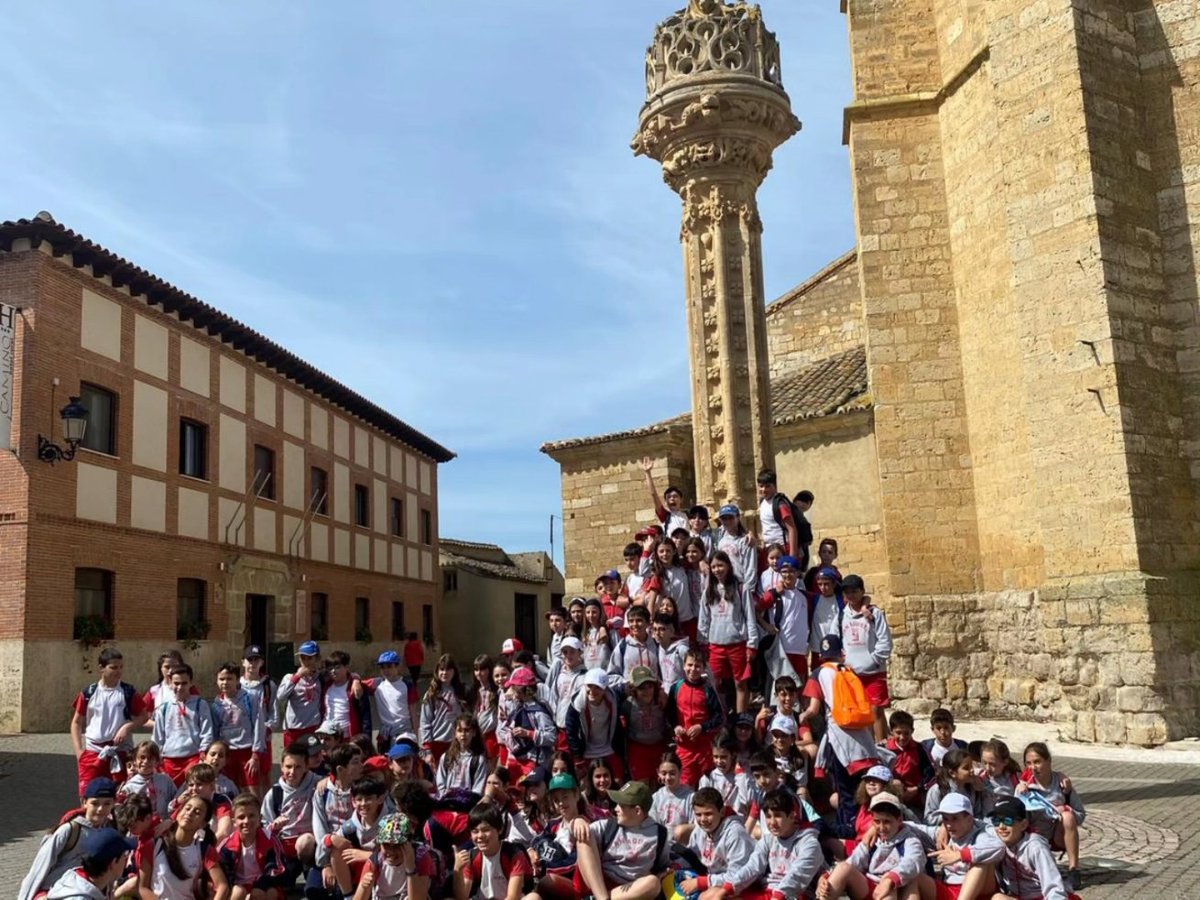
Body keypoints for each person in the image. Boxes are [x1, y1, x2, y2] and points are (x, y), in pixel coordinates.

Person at [800, 635, 886, 839]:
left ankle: (850, 831)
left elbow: (813, 709)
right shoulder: (848, 670)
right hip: (862, 737)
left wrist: (802, 717)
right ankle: (869, 824)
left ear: (821, 655)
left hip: (839, 736)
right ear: (841, 653)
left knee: (844, 789)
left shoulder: (819, 673)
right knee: (863, 788)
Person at [699, 787, 824, 900]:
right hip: (768, 892)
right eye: (768, 816)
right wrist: (728, 888)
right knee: (710, 896)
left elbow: (797, 875)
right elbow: (752, 867)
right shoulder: (768, 840)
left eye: (777, 816)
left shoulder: (809, 843)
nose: (772, 822)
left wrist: (778, 896)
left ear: (792, 816)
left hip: (794, 895)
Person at [19, 777, 119, 900]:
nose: (100, 809)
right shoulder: (70, 830)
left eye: (107, 804)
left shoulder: (110, 831)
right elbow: (39, 868)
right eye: (95, 803)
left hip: (88, 892)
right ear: (84, 802)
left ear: (114, 803)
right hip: (56, 892)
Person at [572, 780, 671, 900]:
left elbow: (663, 866)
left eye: (621, 805)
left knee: (653, 883)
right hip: (599, 882)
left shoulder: (660, 834)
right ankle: (601, 898)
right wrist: (577, 821)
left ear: (637, 810)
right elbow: (576, 832)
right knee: (584, 836)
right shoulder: (608, 825)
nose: (616, 809)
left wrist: (664, 872)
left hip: (626, 891)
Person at [70, 647, 149, 798]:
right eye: (113, 667)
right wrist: (79, 751)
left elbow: (143, 716)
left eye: (120, 667)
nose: (118, 671)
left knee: (120, 796)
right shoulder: (89, 692)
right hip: (93, 752)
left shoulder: (128, 692)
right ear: (101, 668)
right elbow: (76, 722)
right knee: (88, 797)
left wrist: (127, 727)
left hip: (120, 752)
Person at [817, 792, 923, 900]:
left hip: (896, 889)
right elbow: (854, 860)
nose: (881, 828)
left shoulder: (909, 840)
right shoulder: (872, 838)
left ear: (899, 820)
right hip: (870, 886)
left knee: (889, 895)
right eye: (877, 821)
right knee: (843, 868)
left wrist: (890, 879)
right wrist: (827, 877)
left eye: (887, 822)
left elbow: (913, 862)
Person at [1017, 742, 1085, 891]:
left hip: (1057, 835)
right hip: (1034, 836)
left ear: (1048, 761)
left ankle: (1074, 869)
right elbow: (1016, 821)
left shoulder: (1062, 784)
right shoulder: (1024, 786)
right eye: (1028, 763)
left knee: (1068, 817)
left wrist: (1064, 810)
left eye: (1037, 762)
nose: (1033, 767)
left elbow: (1080, 815)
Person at [697, 549, 758, 714]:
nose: (717, 570)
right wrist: (702, 643)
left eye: (720, 565)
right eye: (714, 566)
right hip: (716, 645)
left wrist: (752, 644)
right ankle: (722, 718)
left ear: (728, 566)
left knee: (740, 683)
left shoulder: (740, 588)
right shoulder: (709, 590)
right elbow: (704, 619)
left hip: (737, 644)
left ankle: (741, 720)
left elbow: (750, 617)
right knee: (716, 683)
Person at [138, 793, 229, 900]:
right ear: (178, 813)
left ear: (203, 824)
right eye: (187, 808)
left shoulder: (204, 850)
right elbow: (143, 887)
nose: (189, 813)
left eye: (197, 812)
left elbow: (223, 886)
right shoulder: (155, 845)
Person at [839, 574, 893, 741]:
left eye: (854, 591)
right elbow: (840, 639)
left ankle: (881, 745)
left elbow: (885, 640)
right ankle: (872, 743)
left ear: (862, 591)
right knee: (864, 711)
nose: (851, 595)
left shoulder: (874, 613)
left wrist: (875, 660)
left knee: (876, 709)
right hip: (853, 672)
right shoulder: (842, 615)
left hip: (874, 672)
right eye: (847, 592)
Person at [989, 797, 1075, 900]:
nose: (1001, 826)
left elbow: (1053, 885)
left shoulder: (1036, 847)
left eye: (1008, 821)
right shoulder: (998, 844)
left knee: (998, 898)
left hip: (1044, 896)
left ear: (1023, 825)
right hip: (1018, 896)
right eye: (996, 821)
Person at [677, 786, 755, 897]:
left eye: (708, 814)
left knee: (708, 896)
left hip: (744, 886)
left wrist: (701, 882)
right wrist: (676, 866)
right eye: (698, 814)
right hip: (714, 878)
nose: (703, 819)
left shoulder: (735, 834)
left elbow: (738, 876)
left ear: (722, 812)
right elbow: (692, 858)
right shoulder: (700, 830)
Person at [922, 793, 1003, 899]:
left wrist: (960, 855)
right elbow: (911, 827)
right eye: (945, 819)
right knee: (915, 879)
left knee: (981, 861)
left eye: (955, 818)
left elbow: (1000, 846)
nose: (949, 825)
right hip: (950, 889)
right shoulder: (943, 833)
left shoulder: (982, 832)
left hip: (981, 893)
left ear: (969, 819)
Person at [312, 744, 367, 896]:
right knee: (314, 890)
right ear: (340, 770)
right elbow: (319, 829)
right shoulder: (322, 793)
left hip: (358, 845)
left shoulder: (364, 789)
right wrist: (327, 864)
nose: (361, 766)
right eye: (355, 762)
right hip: (329, 848)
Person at [217, 792, 295, 898]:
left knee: (267, 893)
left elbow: (278, 869)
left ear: (260, 818)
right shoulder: (227, 845)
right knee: (238, 892)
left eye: (251, 816)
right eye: (241, 817)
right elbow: (223, 875)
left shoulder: (270, 839)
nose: (246, 821)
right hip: (238, 886)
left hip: (263, 884)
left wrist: (258, 886)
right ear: (234, 822)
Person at [666, 648, 725, 787]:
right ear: (684, 666)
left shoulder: (708, 690)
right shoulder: (676, 688)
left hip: (705, 747)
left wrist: (702, 727)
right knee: (685, 786)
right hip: (684, 747)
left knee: (707, 785)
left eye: (698, 666)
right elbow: (669, 714)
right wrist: (676, 727)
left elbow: (718, 717)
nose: (693, 669)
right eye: (690, 665)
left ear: (704, 668)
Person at [452, 801, 534, 899]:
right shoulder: (471, 856)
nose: (480, 836)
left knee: (533, 897)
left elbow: (513, 897)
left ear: (499, 829)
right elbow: (461, 898)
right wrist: (457, 870)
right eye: (475, 831)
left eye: (486, 830)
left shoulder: (514, 854)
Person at [152, 664, 213, 786]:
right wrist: (157, 760)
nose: (180, 687)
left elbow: (207, 733)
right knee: (170, 799)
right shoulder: (164, 708)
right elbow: (157, 738)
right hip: (168, 761)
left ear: (191, 683)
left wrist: (202, 756)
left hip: (192, 759)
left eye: (184, 683)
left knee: (191, 796)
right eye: (176, 683)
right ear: (170, 683)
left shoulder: (200, 705)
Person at [327, 778, 390, 898]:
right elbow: (323, 848)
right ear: (353, 802)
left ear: (380, 799)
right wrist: (329, 840)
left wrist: (367, 856)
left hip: (384, 871)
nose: (363, 804)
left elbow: (399, 854)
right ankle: (348, 895)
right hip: (358, 873)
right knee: (336, 850)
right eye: (359, 799)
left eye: (369, 799)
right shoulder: (350, 826)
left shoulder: (390, 822)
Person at [261, 741, 319, 867]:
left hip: (310, 844)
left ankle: (308, 869)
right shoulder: (275, 793)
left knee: (306, 842)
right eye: (288, 767)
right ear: (281, 766)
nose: (292, 772)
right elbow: (264, 825)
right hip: (285, 844)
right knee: (275, 883)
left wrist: (325, 782)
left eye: (298, 767)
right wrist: (274, 826)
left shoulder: (317, 784)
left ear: (306, 767)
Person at [353, 812, 436, 900]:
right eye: (386, 845)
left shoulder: (421, 858)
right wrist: (364, 887)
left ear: (408, 843)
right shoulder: (376, 861)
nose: (390, 851)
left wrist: (410, 870)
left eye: (396, 845)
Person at [212, 663, 267, 793]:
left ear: (237, 680)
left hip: (247, 753)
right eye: (221, 679)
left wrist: (255, 755)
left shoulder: (249, 699)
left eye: (229, 679)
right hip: (227, 754)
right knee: (229, 792)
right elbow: (214, 733)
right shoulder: (216, 705)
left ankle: (257, 813)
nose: (225, 682)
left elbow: (259, 727)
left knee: (252, 792)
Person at [45, 828, 138, 900]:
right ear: (113, 862)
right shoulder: (79, 897)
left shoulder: (91, 883)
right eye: (124, 855)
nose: (126, 858)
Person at [566, 668, 624, 782]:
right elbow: (571, 731)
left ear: (605, 689)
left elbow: (628, 688)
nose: (592, 691)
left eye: (597, 687)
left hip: (609, 749)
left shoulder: (613, 699)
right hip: (586, 752)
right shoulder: (577, 705)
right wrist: (577, 756)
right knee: (587, 785)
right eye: (589, 686)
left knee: (617, 781)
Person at [498, 667, 555, 780]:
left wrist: (529, 734)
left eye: (514, 687)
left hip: (533, 761)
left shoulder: (538, 711)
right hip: (516, 759)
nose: (511, 689)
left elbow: (552, 737)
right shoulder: (517, 706)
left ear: (522, 689)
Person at [239, 646, 278, 796]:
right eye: (250, 660)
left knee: (264, 774)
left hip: (263, 738)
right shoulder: (238, 685)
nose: (253, 664)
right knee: (245, 775)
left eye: (256, 660)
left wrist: (267, 729)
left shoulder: (268, 685)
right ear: (243, 662)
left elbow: (273, 711)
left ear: (261, 663)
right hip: (243, 739)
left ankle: (266, 809)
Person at [621, 666, 669, 784]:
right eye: (642, 688)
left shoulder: (661, 701)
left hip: (659, 746)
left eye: (650, 686)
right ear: (634, 689)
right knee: (642, 786)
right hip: (638, 749)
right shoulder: (628, 705)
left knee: (660, 783)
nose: (647, 691)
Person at [364, 651, 418, 755]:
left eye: (389, 666)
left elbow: (413, 713)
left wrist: (416, 736)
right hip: (385, 734)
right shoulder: (377, 684)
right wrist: (356, 681)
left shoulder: (407, 685)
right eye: (382, 667)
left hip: (404, 732)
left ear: (397, 667)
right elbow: (356, 682)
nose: (386, 670)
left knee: (402, 761)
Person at [883, 711, 934, 815]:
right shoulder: (884, 750)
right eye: (898, 733)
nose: (902, 737)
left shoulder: (920, 749)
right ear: (891, 731)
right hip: (891, 796)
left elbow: (930, 773)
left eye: (906, 733)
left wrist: (916, 789)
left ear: (912, 731)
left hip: (916, 797)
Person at [420, 654, 467, 766]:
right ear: (437, 671)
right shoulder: (431, 694)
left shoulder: (462, 691)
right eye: (441, 669)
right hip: (437, 742)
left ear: (454, 671)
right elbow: (425, 721)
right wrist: (427, 747)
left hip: (457, 741)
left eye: (448, 669)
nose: (444, 673)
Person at [278, 641, 325, 748]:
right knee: (293, 760)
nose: (306, 662)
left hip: (313, 727)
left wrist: (354, 678)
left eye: (309, 658)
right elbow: (280, 696)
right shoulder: (289, 677)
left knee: (312, 761)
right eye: (303, 658)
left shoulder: (320, 677)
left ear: (317, 658)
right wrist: (297, 676)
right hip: (293, 729)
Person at [924, 749, 986, 825]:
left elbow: (977, 814)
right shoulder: (938, 790)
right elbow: (929, 819)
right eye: (966, 768)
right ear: (952, 773)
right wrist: (952, 816)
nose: (972, 770)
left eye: (971, 766)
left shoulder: (972, 789)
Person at [118, 740, 176, 818]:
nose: (145, 761)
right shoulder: (129, 786)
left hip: (163, 824)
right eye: (142, 757)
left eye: (150, 758)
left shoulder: (166, 781)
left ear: (157, 761)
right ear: (135, 760)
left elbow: (175, 800)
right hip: (140, 825)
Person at [607, 605, 659, 689]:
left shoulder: (656, 645)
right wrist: (627, 684)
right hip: (631, 697)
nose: (635, 624)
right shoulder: (622, 646)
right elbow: (611, 675)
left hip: (653, 696)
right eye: (631, 621)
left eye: (639, 620)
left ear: (648, 623)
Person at [437, 714, 489, 795]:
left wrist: (468, 799)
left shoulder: (478, 760)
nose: (463, 734)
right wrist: (444, 794)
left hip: (468, 803)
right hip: (448, 801)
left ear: (474, 733)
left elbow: (478, 788)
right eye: (459, 730)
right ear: (455, 733)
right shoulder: (446, 757)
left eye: (466, 730)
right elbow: (440, 782)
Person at [698, 735, 748, 817]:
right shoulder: (707, 778)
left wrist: (740, 776)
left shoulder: (740, 777)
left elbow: (746, 801)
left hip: (736, 820)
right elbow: (702, 804)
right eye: (716, 757)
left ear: (732, 755)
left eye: (723, 757)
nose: (719, 761)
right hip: (714, 821)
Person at [649, 751, 695, 841]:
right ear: (658, 772)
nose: (668, 778)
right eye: (664, 773)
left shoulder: (691, 797)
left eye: (672, 773)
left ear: (680, 771)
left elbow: (695, 826)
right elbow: (652, 825)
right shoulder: (656, 797)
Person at [756, 468, 800, 560]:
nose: (764, 489)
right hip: (769, 548)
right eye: (761, 486)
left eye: (767, 486)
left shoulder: (780, 504)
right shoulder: (763, 502)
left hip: (783, 548)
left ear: (775, 486)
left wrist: (792, 556)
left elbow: (792, 529)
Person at [641, 455, 689, 536]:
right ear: (666, 502)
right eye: (669, 497)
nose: (672, 499)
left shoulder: (688, 516)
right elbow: (653, 494)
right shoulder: (666, 516)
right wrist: (648, 473)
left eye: (675, 496)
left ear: (681, 500)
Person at [714, 505, 757, 589]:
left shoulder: (746, 541)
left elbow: (751, 567)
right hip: (724, 585)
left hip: (740, 585)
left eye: (730, 518)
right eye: (724, 518)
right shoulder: (719, 538)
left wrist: (749, 589)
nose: (727, 521)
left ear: (737, 518)